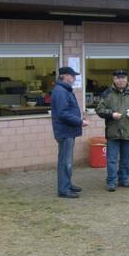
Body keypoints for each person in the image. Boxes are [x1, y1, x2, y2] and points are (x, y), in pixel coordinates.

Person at [96, 69, 129, 192]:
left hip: (128, 131)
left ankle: (124, 179)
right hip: (113, 131)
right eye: (118, 78)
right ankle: (111, 182)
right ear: (114, 80)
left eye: (123, 78)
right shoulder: (107, 93)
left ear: (127, 79)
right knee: (112, 159)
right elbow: (99, 109)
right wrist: (111, 114)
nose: (121, 80)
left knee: (126, 158)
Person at [51, 66, 89, 198]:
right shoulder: (61, 91)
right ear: (64, 76)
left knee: (67, 160)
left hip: (68, 131)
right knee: (65, 161)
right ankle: (64, 189)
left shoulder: (64, 90)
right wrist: (79, 122)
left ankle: (67, 184)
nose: (74, 78)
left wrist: (79, 119)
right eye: (72, 76)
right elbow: (63, 113)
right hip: (65, 131)